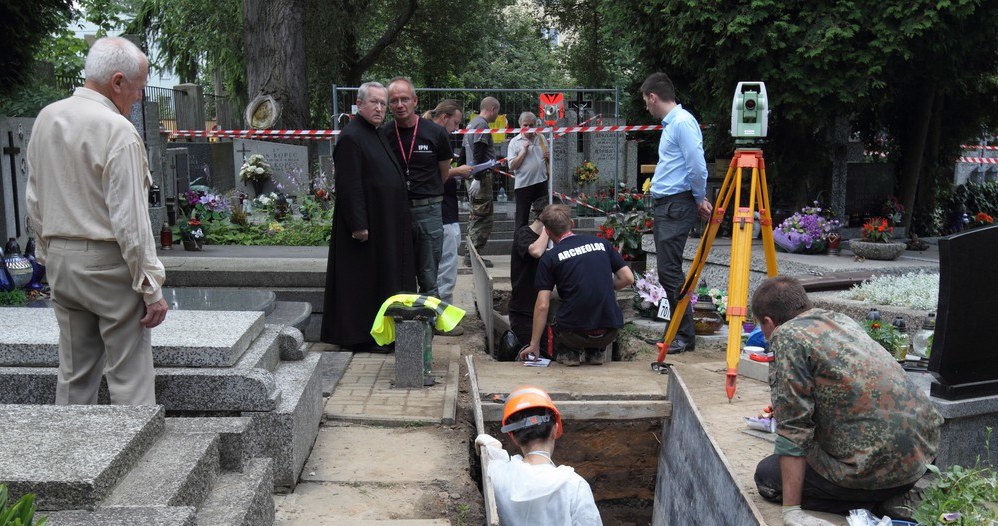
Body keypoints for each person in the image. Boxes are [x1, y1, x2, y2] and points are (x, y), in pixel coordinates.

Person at [25, 36, 168, 405]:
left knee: (74, 374)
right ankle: (138, 458)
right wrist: (150, 286)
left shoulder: (47, 117)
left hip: (61, 259)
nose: (138, 97)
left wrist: (47, 254)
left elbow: (34, 198)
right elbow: (131, 222)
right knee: (130, 376)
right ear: (118, 81)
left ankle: (70, 455)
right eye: (138, 87)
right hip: (107, 265)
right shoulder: (117, 130)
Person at [750, 276, 943, 524]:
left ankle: (873, 502)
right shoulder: (839, 319)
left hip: (876, 469)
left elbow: (793, 427)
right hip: (922, 458)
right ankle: (893, 493)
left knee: (767, 475)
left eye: (763, 327)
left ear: (768, 322)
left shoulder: (786, 335)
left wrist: (792, 511)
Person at [321, 81, 415, 351]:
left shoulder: (374, 132)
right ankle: (362, 336)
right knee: (364, 283)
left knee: (381, 279)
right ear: (359, 104)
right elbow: (349, 185)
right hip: (365, 229)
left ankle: (382, 334)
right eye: (374, 102)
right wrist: (359, 224)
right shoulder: (352, 136)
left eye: (383, 103)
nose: (379, 108)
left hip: (384, 222)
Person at [640, 72, 713, 354]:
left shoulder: (682, 123)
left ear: (653, 97)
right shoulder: (674, 124)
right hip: (669, 204)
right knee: (667, 269)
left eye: (647, 102)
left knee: (669, 271)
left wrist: (698, 197)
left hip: (675, 204)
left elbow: (697, 165)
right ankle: (674, 331)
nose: (647, 107)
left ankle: (683, 335)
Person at [517, 204, 634, 366]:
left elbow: (542, 305)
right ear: (572, 224)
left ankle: (568, 352)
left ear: (548, 232)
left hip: (573, 335)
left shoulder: (550, 258)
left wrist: (534, 344)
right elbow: (628, 278)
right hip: (609, 332)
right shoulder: (602, 244)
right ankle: (596, 353)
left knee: (553, 297)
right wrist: (603, 285)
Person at [475, 386, 602, 525]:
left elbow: (495, 459)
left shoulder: (496, 474)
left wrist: (493, 445)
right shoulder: (575, 486)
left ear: (513, 437)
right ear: (555, 429)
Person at [385, 77, 454, 299]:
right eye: (394, 100)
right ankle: (403, 323)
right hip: (396, 212)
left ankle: (431, 322)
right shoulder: (384, 134)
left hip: (428, 211)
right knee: (398, 271)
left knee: (428, 274)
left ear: (415, 100)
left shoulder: (435, 132)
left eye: (404, 99)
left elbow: (444, 173)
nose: (399, 105)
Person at [427, 100, 472, 335]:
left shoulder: (426, 134)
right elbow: (435, 175)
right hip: (443, 215)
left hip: (442, 212)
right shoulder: (436, 137)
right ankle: (441, 320)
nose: (456, 128)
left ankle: (433, 316)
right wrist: (456, 171)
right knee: (446, 268)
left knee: (435, 269)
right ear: (444, 117)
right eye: (455, 123)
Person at [508, 196, 556, 358]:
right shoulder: (523, 234)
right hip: (524, 311)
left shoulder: (553, 238)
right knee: (528, 357)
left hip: (546, 310)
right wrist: (547, 229)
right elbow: (536, 251)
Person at [463, 96, 501, 268]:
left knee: (475, 215)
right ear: (492, 108)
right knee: (483, 217)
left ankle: (471, 253)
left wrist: (465, 173)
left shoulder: (472, 124)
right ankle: (473, 255)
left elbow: (465, 151)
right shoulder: (482, 125)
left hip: (472, 175)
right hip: (481, 177)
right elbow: (479, 150)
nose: (497, 116)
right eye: (497, 112)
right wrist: (477, 177)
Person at [507, 111, 549, 229]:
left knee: (543, 217)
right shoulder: (514, 142)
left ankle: (541, 244)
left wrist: (548, 157)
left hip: (541, 182)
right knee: (522, 218)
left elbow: (547, 160)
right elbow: (512, 166)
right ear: (520, 125)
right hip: (524, 185)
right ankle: (520, 245)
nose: (528, 128)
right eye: (525, 125)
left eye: (531, 125)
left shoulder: (541, 138)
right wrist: (523, 152)